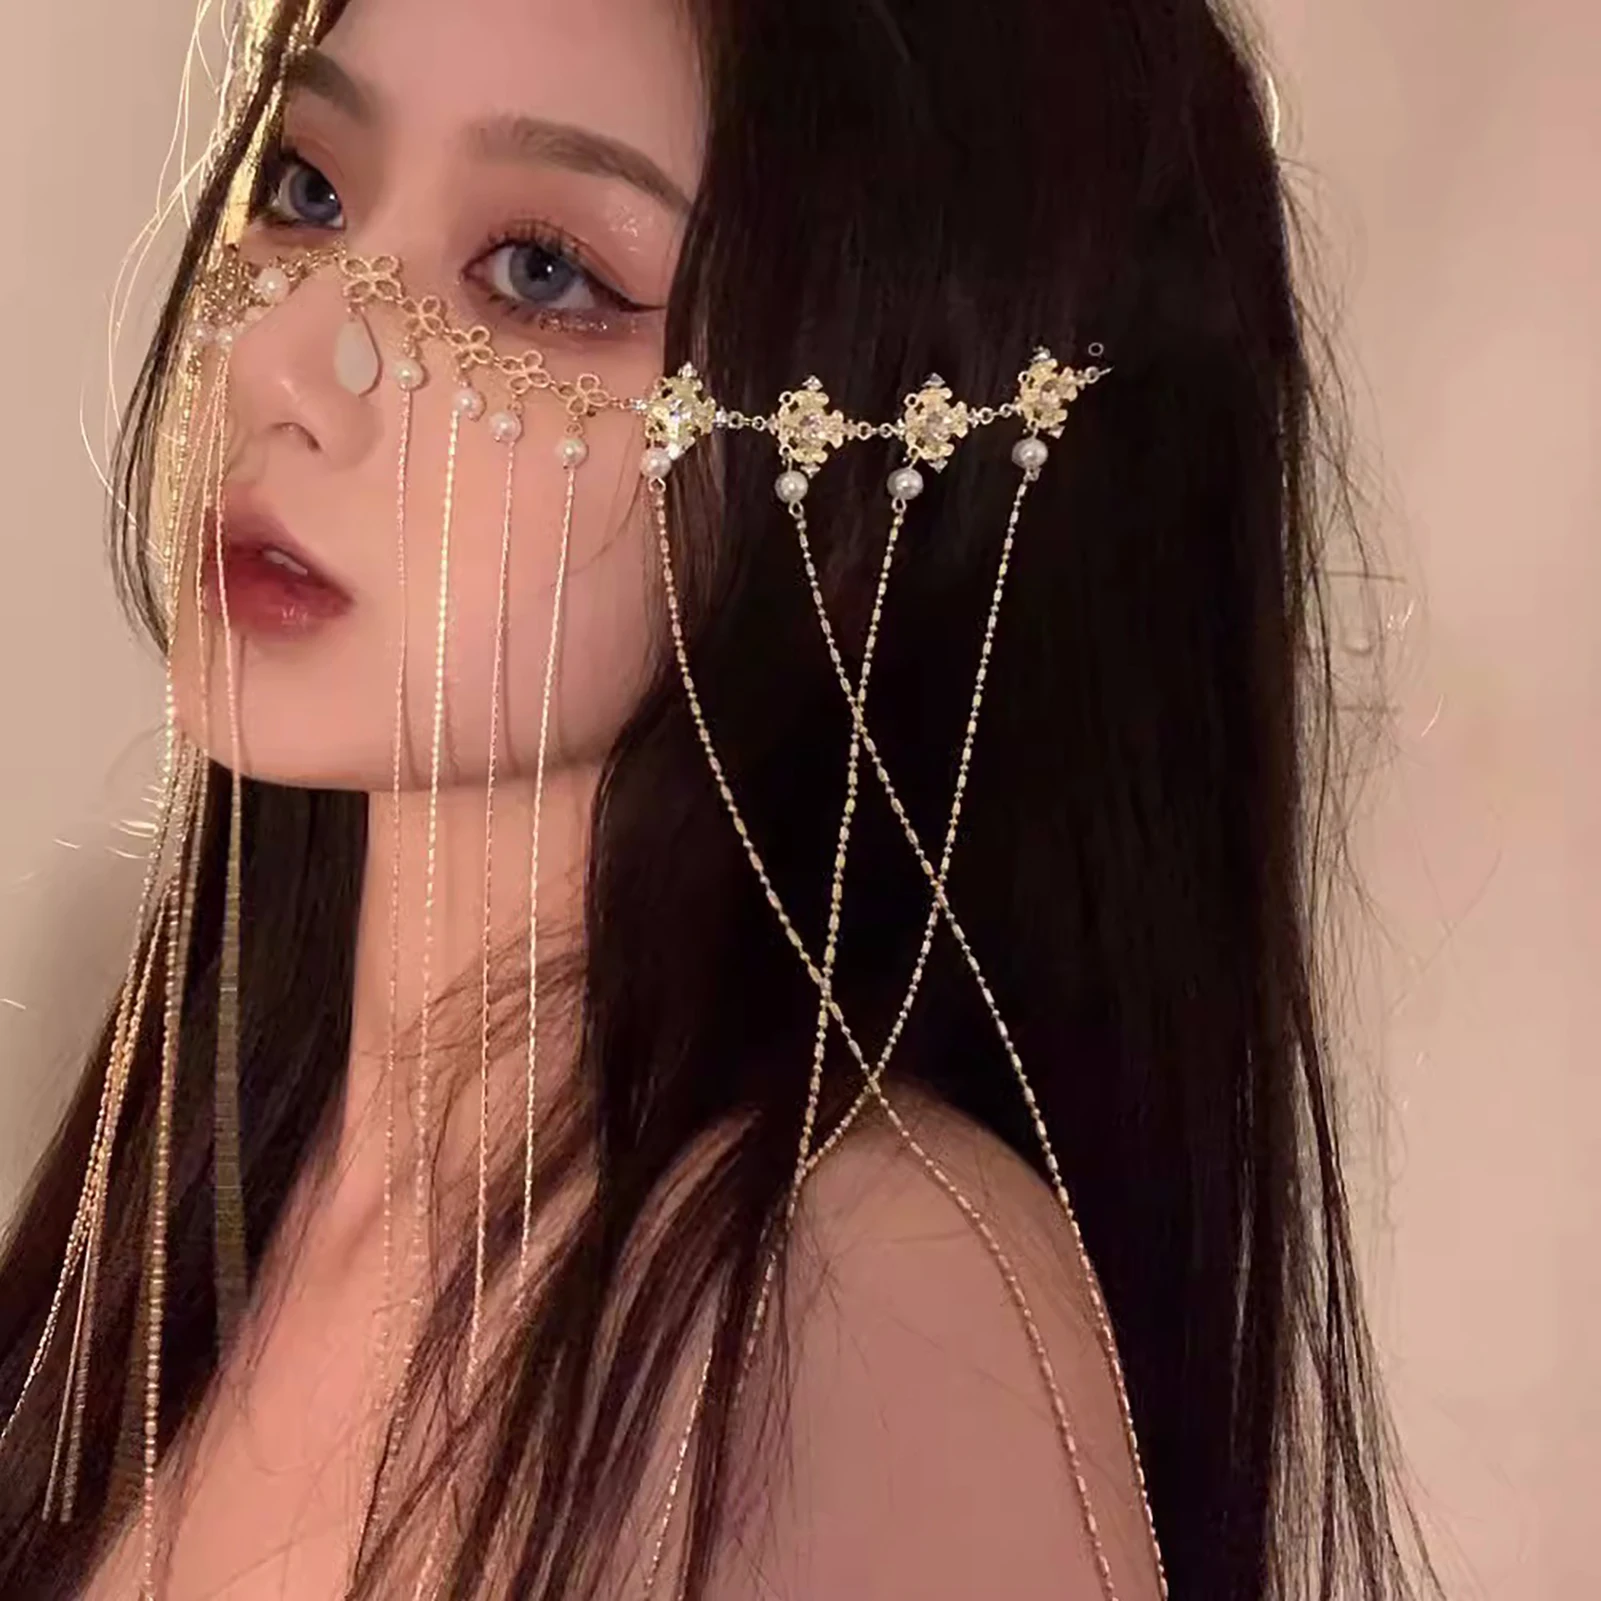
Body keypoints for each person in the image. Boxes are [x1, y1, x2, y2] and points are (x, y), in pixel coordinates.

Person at [0, 0, 1440, 1597]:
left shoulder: (858, 1309)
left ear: (903, 431)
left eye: (541, 271)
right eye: (308, 188)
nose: (283, 359)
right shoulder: (213, 1186)